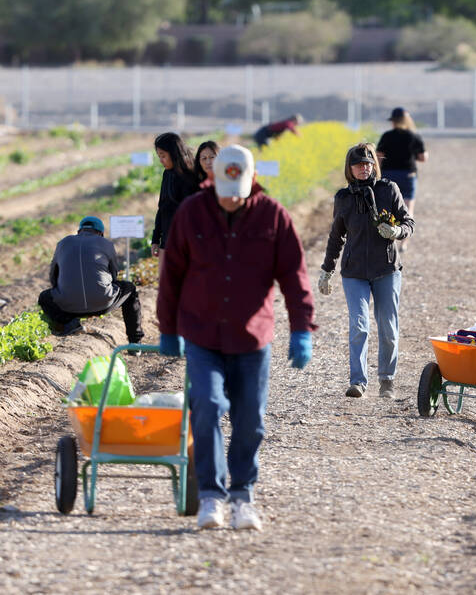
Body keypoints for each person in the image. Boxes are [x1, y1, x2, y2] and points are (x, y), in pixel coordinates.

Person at [157, 144, 316, 531]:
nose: (231, 201)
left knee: (251, 421)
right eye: (224, 194)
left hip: (252, 338)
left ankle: (243, 495)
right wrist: (168, 328)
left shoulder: (272, 216)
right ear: (211, 180)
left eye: (238, 195)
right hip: (202, 333)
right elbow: (171, 276)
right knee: (207, 408)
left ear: (251, 181)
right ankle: (211, 496)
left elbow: (294, 276)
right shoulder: (192, 213)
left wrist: (301, 328)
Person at [318, 143, 413, 399]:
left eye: (368, 163)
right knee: (359, 326)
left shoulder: (388, 189)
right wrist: (327, 270)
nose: (364, 168)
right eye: (359, 164)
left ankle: (387, 380)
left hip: (387, 270)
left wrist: (397, 232)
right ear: (350, 168)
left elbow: (408, 222)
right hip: (354, 272)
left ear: (374, 165)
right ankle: (358, 382)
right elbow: (336, 237)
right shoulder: (343, 198)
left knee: (388, 329)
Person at [38, 216, 143, 343]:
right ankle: (134, 341)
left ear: (79, 231)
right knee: (130, 290)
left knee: (44, 297)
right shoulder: (106, 244)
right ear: (100, 233)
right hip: (103, 303)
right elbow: (114, 275)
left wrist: (63, 290)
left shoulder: (63, 243)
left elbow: (53, 276)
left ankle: (70, 323)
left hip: (68, 307)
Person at [376, 106, 427, 251]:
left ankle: (387, 239)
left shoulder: (387, 136)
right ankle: (404, 243)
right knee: (407, 208)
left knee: (387, 208)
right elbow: (423, 157)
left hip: (389, 175)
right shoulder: (414, 136)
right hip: (408, 175)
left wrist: (377, 174)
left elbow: (378, 155)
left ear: (393, 121)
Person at [151, 132, 198, 257]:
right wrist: (155, 239)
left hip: (186, 243)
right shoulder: (167, 174)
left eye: (163, 156)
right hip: (167, 241)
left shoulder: (191, 177)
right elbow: (162, 207)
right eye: (159, 156)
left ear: (174, 153)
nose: (161, 160)